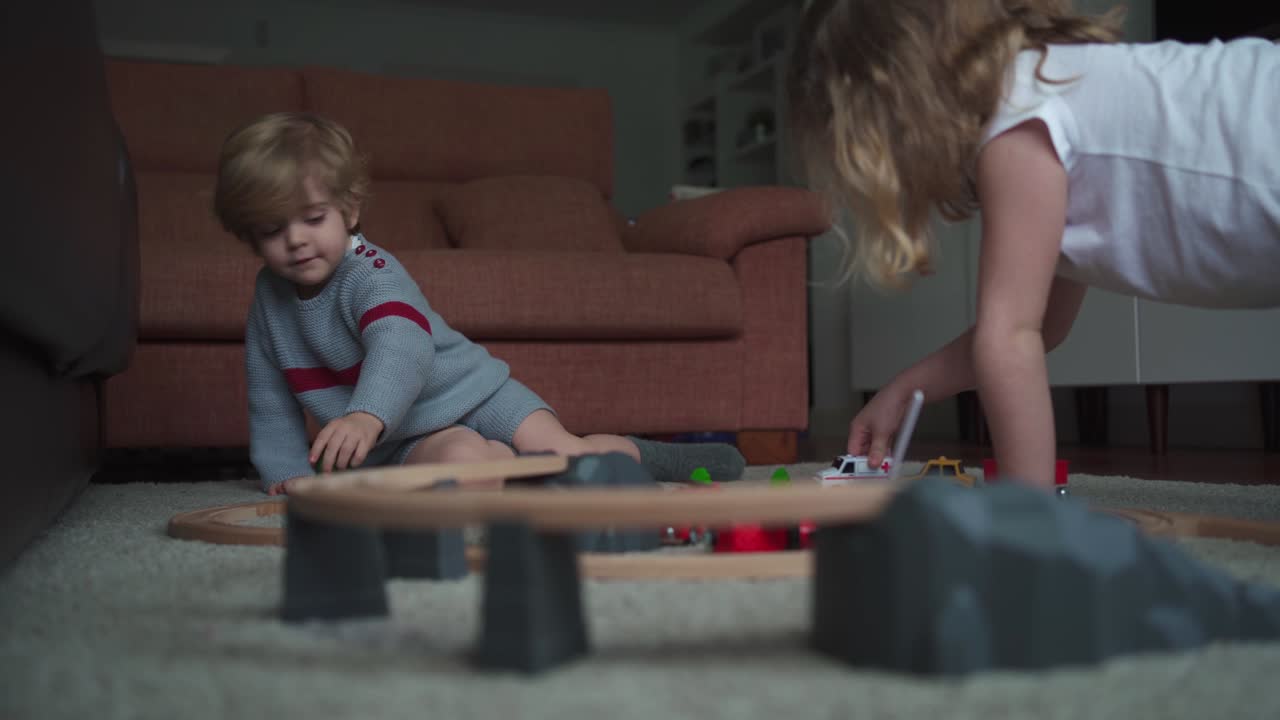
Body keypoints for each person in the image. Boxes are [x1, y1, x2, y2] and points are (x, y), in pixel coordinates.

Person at [786, 0, 1279, 489]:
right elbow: (1039, 327)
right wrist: (905, 390)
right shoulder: (1050, 102)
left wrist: (1028, 520)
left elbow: (1010, 338)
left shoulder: (1018, 115)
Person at [212, 112, 745, 494]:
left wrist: (363, 417)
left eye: (312, 218)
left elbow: (403, 350)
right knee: (461, 470)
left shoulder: (370, 270)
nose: (297, 240)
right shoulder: (269, 298)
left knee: (565, 456)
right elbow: (268, 393)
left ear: (349, 212)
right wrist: (285, 473)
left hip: (473, 395)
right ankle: (497, 467)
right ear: (249, 236)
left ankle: (643, 453)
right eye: (273, 228)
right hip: (398, 440)